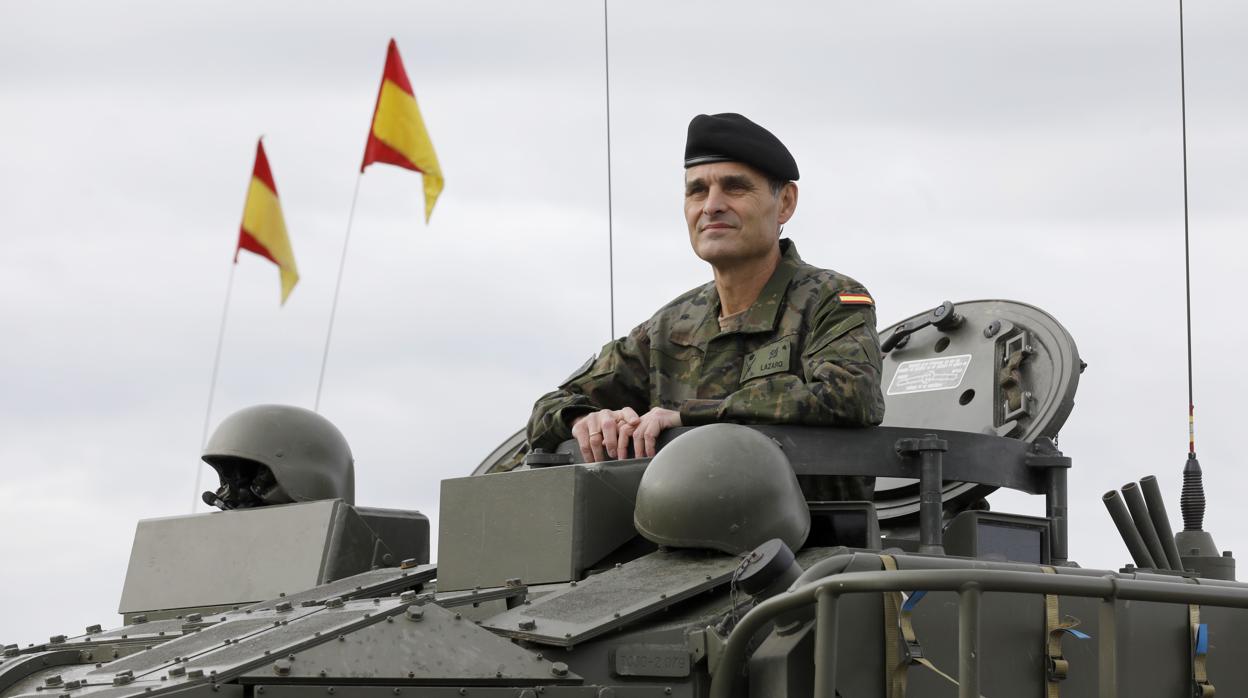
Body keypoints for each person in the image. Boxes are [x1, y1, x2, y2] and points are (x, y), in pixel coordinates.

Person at [527, 113, 885, 478]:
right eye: (697, 190)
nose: (711, 205)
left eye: (735, 187)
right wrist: (583, 419)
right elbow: (547, 408)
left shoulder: (831, 300)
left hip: (807, 529)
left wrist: (687, 416)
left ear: (785, 203)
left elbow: (850, 396)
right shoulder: (670, 326)